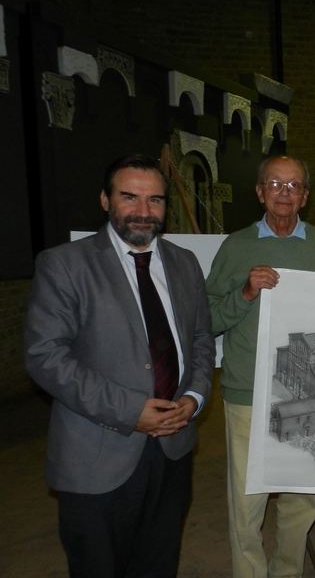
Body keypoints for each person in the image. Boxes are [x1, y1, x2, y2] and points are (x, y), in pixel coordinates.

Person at [24, 154, 216, 577]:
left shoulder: (184, 263)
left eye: (155, 200)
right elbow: (45, 356)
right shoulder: (64, 265)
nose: (144, 212)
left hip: (173, 450)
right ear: (105, 200)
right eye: (130, 197)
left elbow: (201, 339)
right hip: (97, 454)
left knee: (158, 563)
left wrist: (195, 396)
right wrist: (132, 411)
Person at [206, 156, 315, 578]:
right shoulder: (236, 245)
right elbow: (206, 319)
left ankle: (287, 572)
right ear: (260, 192)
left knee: (302, 499)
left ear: (305, 196)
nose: (285, 193)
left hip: (307, 392)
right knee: (248, 501)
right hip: (248, 391)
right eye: (275, 184)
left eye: (294, 185)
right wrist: (246, 292)